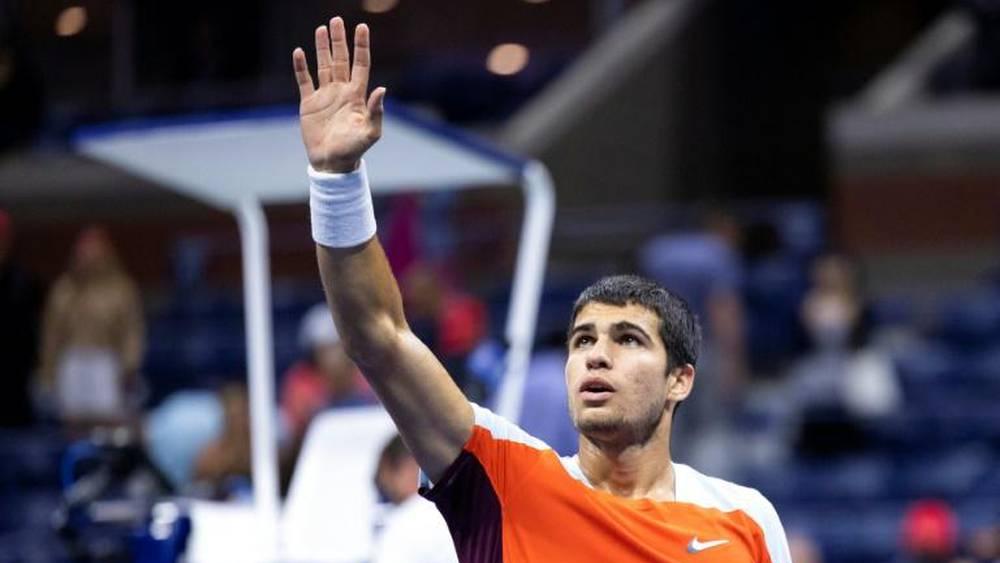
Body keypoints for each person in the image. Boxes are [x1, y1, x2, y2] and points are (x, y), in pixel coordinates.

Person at [292, 16, 790, 562]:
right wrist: (337, 179)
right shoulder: (504, 475)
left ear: (680, 379)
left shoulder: (747, 517)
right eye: (583, 340)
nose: (596, 356)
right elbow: (379, 336)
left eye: (628, 339)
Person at [39, 226, 145, 428]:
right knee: (72, 421)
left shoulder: (121, 289)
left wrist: (129, 366)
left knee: (107, 420)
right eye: (84, 251)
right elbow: (51, 335)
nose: (88, 256)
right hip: (72, 360)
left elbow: (132, 331)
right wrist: (48, 372)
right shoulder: (64, 289)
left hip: (105, 361)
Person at [371, 434, 458, 563]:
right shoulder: (468, 505)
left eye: (388, 478)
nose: (387, 488)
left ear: (409, 466)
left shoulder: (404, 525)